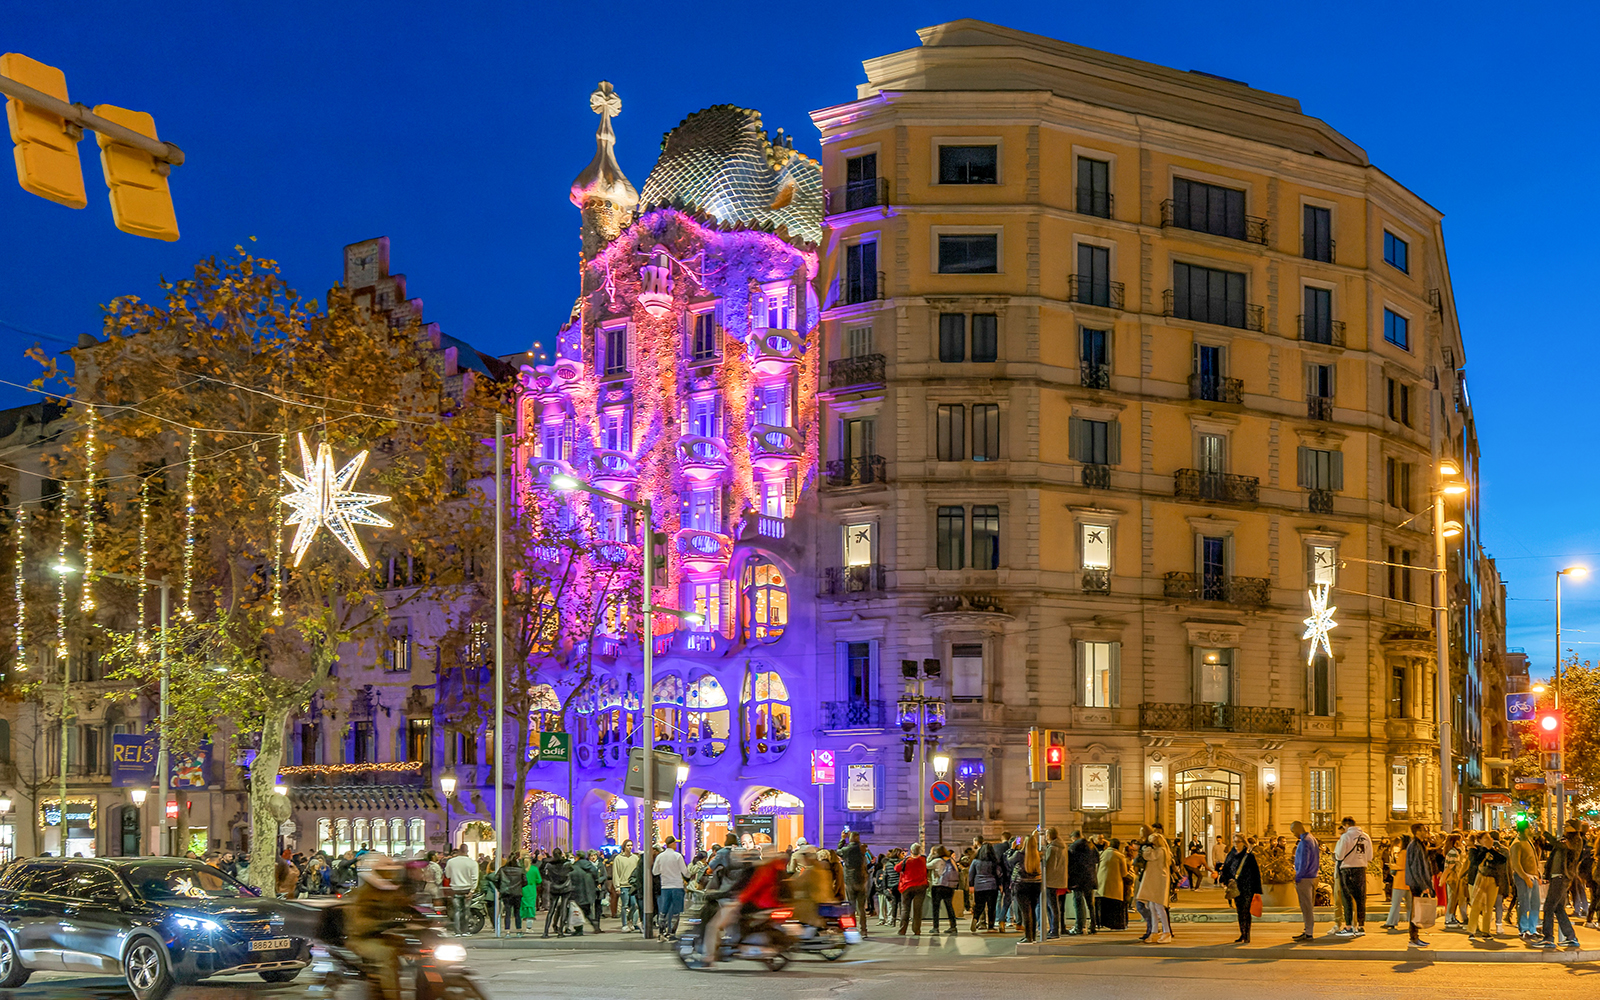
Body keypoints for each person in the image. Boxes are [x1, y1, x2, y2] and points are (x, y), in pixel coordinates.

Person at [342, 854, 422, 1000]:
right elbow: (359, 925)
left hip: (384, 936)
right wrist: (385, 923)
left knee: (422, 949)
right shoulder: (361, 896)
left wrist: (426, 921)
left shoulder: (392, 893)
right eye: (385, 871)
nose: (391, 874)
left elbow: (407, 909)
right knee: (388, 955)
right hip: (362, 940)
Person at [1536, 825, 1582, 949]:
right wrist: (1540, 839)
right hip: (1556, 876)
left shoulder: (1575, 841)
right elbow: (1552, 847)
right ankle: (1571, 937)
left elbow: (1560, 845)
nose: (1564, 827)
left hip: (1561, 877)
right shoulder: (1563, 840)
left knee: (1549, 906)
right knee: (1559, 908)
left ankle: (1548, 938)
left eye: (1567, 826)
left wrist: (1545, 832)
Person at [1332, 816, 1372, 937]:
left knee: (1347, 898)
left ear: (1346, 825)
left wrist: (1334, 856)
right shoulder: (1366, 836)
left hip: (1347, 869)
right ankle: (1360, 926)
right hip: (1361, 869)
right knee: (1361, 899)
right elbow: (1369, 857)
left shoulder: (1345, 837)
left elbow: (1339, 856)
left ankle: (1349, 926)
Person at [1218, 834, 1260, 944]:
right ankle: (1242, 933)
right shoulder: (1231, 854)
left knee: (1246, 910)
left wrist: (1256, 890)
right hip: (1235, 886)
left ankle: (1247, 934)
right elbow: (1226, 868)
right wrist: (1224, 880)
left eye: (1238, 842)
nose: (1236, 844)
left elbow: (1255, 872)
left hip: (1247, 887)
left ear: (1243, 842)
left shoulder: (1249, 856)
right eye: (1235, 841)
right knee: (1240, 911)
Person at [1465, 830, 1505, 941]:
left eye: (1490, 838)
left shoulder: (1494, 851)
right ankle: (1472, 931)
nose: (1490, 840)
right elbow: (1475, 862)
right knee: (1476, 906)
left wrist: (1491, 849)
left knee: (1489, 906)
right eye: (1486, 839)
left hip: (1493, 879)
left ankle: (1486, 931)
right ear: (1480, 841)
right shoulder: (1474, 850)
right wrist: (1485, 850)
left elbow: (1502, 860)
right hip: (1479, 879)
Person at [1135, 825, 1172, 943]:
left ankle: (1167, 932)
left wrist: (1145, 846)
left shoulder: (1160, 851)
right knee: (1152, 907)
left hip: (1157, 882)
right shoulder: (1160, 851)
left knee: (1159, 907)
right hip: (1154, 881)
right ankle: (1154, 932)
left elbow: (1148, 855)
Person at [652, 835, 689, 938]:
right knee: (676, 912)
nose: (676, 845)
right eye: (675, 843)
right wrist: (689, 876)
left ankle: (661, 931)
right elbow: (685, 872)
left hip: (665, 886)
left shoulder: (660, 856)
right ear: (671, 844)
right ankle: (671, 933)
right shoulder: (677, 856)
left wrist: (664, 872)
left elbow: (655, 872)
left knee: (663, 910)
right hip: (677, 886)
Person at [1289, 820, 1319, 942]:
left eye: (1292, 831)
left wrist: (1298, 877)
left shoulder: (1305, 842)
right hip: (1313, 876)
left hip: (1305, 878)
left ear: (1297, 829)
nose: (1293, 834)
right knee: (1309, 906)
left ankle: (1309, 933)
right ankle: (1308, 931)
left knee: (1306, 906)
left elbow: (1304, 862)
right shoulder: (1312, 839)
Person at [1405, 824, 1433, 948]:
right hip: (1416, 882)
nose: (1426, 832)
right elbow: (1416, 868)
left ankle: (1415, 937)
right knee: (1416, 910)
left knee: (1417, 910)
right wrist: (1423, 885)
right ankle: (1413, 938)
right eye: (1424, 830)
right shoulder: (1415, 846)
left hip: (1418, 881)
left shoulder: (1419, 845)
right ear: (1417, 832)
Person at [839, 831, 870, 937]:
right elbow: (870, 861)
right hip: (861, 880)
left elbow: (838, 851)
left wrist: (843, 839)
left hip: (850, 880)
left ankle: (852, 928)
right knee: (861, 907)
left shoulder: (846, 849)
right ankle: (864, 930)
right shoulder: (862, 848)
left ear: (850, 838)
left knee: (851, 906)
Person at [1067, 831, 1098, 935]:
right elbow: (1097, 860)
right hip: (1090, 878)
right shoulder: (1092, 846)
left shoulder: (1073, 847)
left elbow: (1070, 863)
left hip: (1078, 879)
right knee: (1090, 904)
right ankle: (1093, 926)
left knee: (1078, 903)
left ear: (1073, 838)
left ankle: (1079, 927)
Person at [895, 843, 930, 936]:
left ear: (911, 851)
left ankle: (902, 930)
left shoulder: (906, 861)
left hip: (907, 887)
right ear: (920, 851)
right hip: (921, 887)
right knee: (918, 909)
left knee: (905, 909)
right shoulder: (924, 860)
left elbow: (896, 868)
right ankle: (916, 930)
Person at [442, 848, 479, 936]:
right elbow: (475, 877)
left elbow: (447, 875)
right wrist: (472, 890)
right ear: (467, 851)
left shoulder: (451, 862)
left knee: (457, 911)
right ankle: (465, 930)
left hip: (455, 889)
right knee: (466, 911)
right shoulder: (472, 863)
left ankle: (457, 931)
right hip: (467, 889)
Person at [1014, 834, 1043, 944]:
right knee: (1033, 910)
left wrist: (1014, 847)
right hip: (1036, 884)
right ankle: (1033, 935)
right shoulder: (1039, 854)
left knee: (1026, 912)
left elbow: (1009, 861)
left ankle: (1028, 936)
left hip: (1022, 885)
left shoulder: (1020, 854)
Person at [540, 849, 573, 938]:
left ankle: (545, 931)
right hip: (565, 887)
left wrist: (550, 879)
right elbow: (572, 871)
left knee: (551, 909)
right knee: (563, 909)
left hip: (554, 887)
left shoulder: (549, 865)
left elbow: (543, 872)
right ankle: (560, 932)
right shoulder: (567, 864)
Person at [1096, 837, 1127, 930]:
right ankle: (1114, 924)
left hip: (1101, 884)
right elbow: (1124, 872)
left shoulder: (1102, 854)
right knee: (1114, 906)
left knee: (1104, 905)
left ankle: (1102, 923)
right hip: (1115, 884)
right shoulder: (1120, 856)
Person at [1042, 828, 1067, 938]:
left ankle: (1054, 930)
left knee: (1052, 907)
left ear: (1049, 836)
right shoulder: (1063, 846)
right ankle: (1056, 928)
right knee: (1056, 906)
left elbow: (1047, 865)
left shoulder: (1052, 848)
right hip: (1060, 879)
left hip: (1050, 880)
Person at [929, 846, 960, 933]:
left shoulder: (937, 861)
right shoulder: (952, 860)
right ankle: (953, 926)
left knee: (936, 907)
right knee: (949, 906)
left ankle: (936, 927)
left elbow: (926, 866)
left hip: (938, 885)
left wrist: (930, 855)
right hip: (950, 886)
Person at [969, 842, 999, 932]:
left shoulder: (975, 861)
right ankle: (990, 926)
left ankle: (975, 919)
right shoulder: (994, 862)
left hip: (979, 886)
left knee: (979, 905)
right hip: (992, 886)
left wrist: (971, 885)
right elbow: (998, 874)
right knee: (991, 907)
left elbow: (971, 874)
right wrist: (1000, 884)